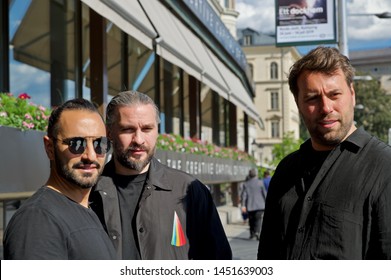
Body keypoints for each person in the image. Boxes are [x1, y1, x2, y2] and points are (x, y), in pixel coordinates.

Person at [257, 46, 391, 260]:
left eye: (334, 94)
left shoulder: (384, 167)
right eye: (312, 98)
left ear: (352, 95)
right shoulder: (286, 169)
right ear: (298, 104)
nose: (326, 107)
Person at [89, 90, 232, 260]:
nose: (139, 139)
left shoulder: (189, 190)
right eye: (128, 129)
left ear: (157, 131)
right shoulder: (88, 193)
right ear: (109, 133)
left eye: (147, 129)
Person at [3, 99, 116, 259]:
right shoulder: (38, 220)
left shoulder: (85, 209)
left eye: (99, 144)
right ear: (50, 148)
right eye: (77, 144)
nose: (90, 155)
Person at [241, 168, 267, 240]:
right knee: (258, 219)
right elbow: (264, 194)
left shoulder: (246, 184)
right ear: (256, 174)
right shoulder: (260, 182)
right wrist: (267, 203)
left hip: (250, 205)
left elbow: (244, 195)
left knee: (251, 219)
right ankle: (257, 232)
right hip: (260, 205)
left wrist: (243, 205)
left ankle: (252, 233)